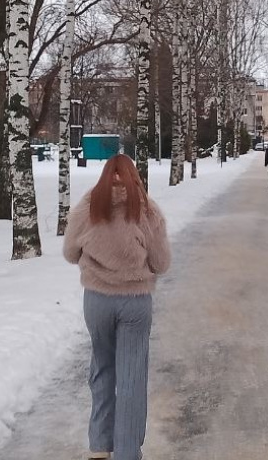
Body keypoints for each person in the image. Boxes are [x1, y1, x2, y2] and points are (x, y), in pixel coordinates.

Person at [64, 154, 171, 460]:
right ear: (134, 176)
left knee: (102, 368)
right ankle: (126, 453)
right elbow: (161, 263)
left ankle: (99, 448)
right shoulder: (147, 210)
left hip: (97, 300)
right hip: (135, 302)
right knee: (131, 376)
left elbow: (71, 252)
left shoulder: (88, 207)